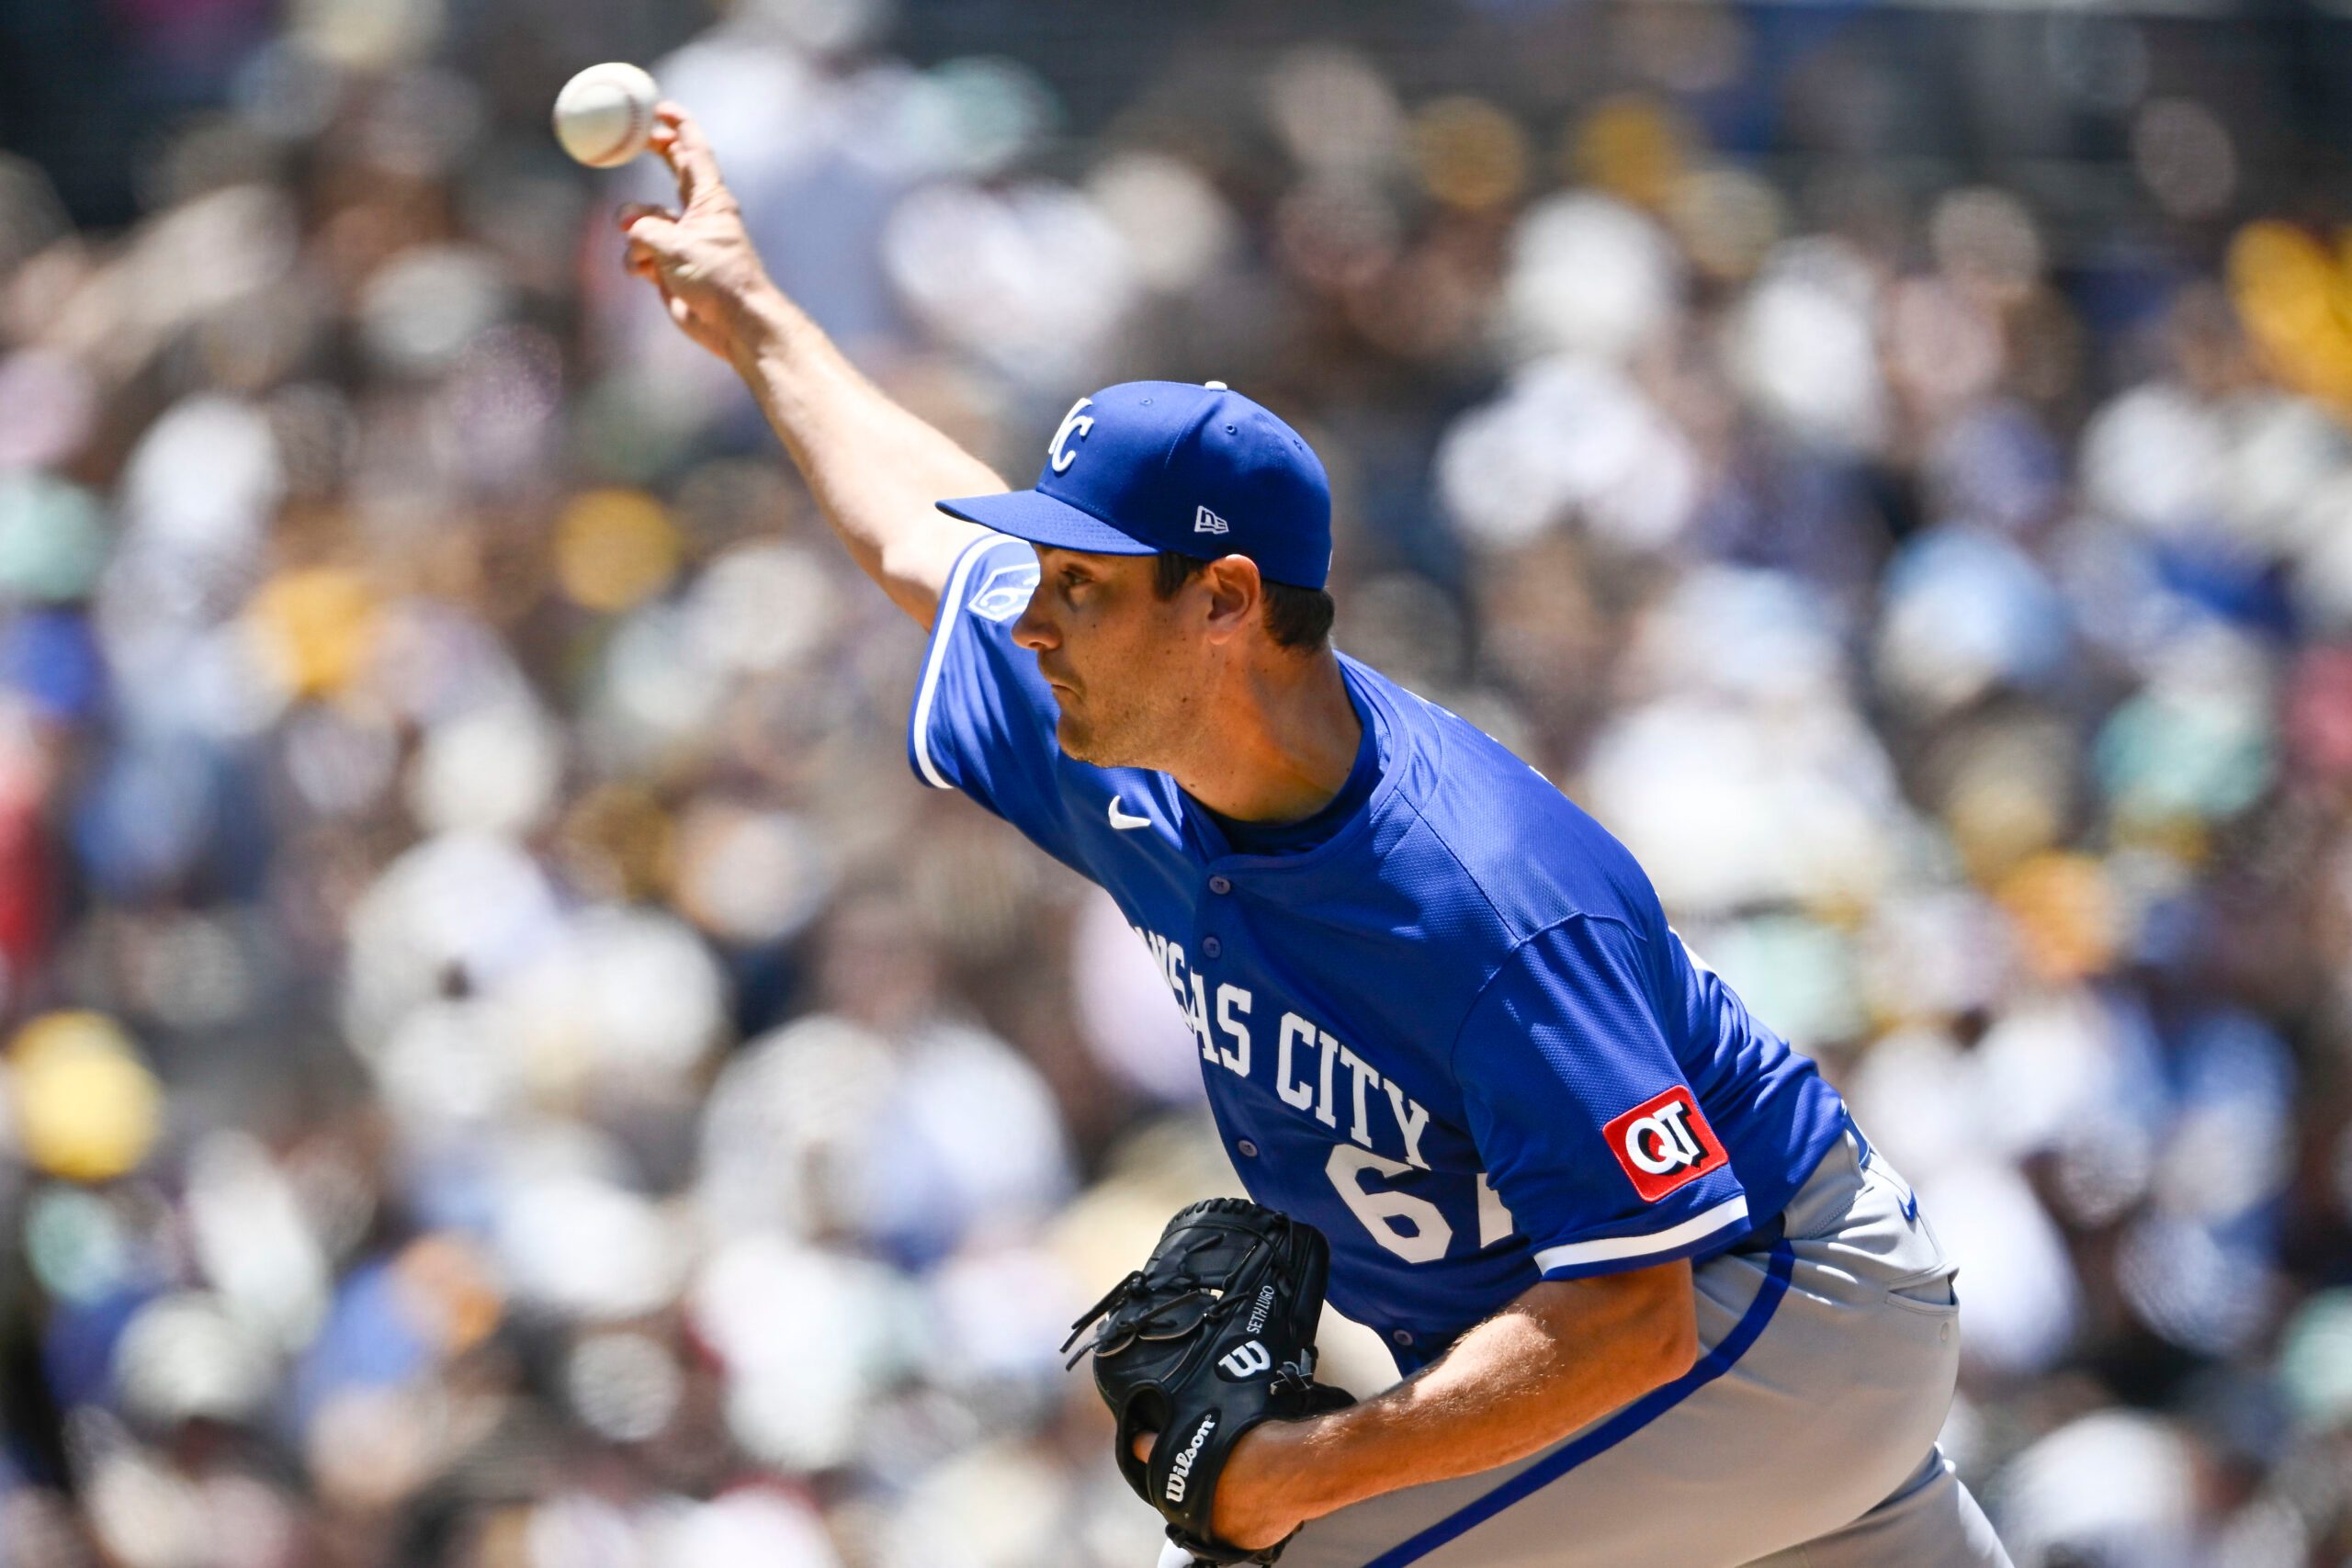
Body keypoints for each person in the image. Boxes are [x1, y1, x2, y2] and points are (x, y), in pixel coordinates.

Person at [617, 104, 2015, 1568]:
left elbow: (1635, 1311)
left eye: (1080, 586)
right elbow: (919, 541)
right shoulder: (1124, 734)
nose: (1032, 617)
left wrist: (1301, 1474)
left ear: (1224, 603)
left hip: (1762, 1311)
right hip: (1633, 1353)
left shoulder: (1480, 893)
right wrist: (758, 317)